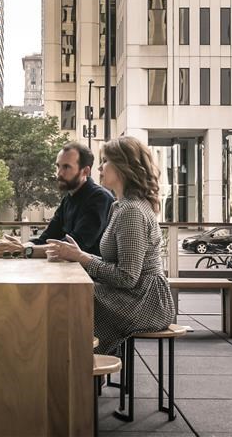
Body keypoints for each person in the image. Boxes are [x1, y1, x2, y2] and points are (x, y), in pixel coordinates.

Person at [45, 136, 175, 356]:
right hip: (137, 296)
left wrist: (82, 258)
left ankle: (78, 370)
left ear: (123, 167)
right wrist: (79, 255)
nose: (100, 167)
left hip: (146, 303)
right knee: (70, 295)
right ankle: (79, 369)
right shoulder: (121, 206)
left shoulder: (131, 211)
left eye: (105, 161)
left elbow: (127, 277)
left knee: (70, 297)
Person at [0, 141, 113, 258]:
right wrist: (17, 246)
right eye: (58, 166)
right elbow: (46, 238)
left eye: (66, 167)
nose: (59, 173)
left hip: (91, 277)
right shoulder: (68, 199)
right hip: (69, 272)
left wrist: (23, 250)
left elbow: (73, 247)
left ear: (85, 171)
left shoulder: (100, 199)